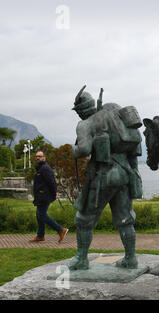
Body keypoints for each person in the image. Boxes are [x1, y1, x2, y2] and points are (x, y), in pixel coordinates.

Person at [68, 85, 143, 270]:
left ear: (80, 110)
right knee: (125, 218)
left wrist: (73, 149)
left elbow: (84, 150)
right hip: (124, 173)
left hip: (103, 176)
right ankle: (130, 258)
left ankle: (81, 259)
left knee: (84, 218)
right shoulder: (116, 115)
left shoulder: (85, 124)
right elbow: (134, 149)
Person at [29, 151, 68, 243]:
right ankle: (40, 236)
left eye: (40, 156)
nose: (37, 158)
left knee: (42, 215)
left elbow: (51, 182)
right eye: (36, 156)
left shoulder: (45, 168)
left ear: (44, 158)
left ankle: (61, 230)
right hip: (40, 195)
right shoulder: (40, 168)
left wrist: (55, 192)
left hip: (44, 196)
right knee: (39, 216)